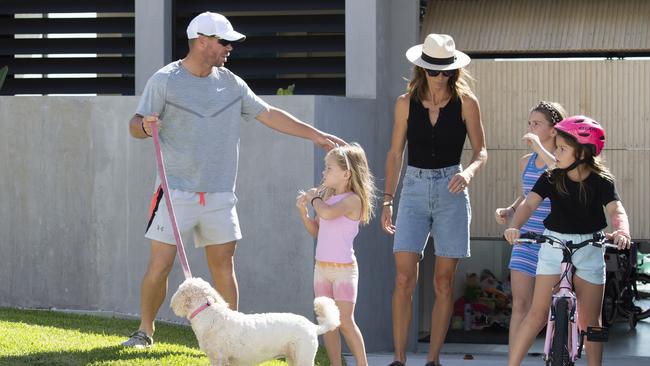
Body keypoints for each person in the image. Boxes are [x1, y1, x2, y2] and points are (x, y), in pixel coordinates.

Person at [122, 11, 345, 348]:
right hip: (174, 192)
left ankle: (233, 338)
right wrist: (144, 126)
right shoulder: (164, 80)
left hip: (219, 195)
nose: (230, 47)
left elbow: (268, 113)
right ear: (201, 41)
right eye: (223, 41)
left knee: (224, 267)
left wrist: (315, 135)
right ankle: (145, 331)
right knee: (160, 264)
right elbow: (134, 124)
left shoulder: (231, 82)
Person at [381, 33, 487, 366]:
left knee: (443, 281)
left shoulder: (467, 102)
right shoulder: (404, 103)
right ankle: (398, 359)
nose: (440, 77)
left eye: (446, 71)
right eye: (434, 70)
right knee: (403, 278)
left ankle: (433, 360)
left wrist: (468, 172)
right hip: (412, 189)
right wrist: (387, 200)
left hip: (451, 190)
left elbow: (481, 151)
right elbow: (395, 153)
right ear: (422, 69)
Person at [504, 116, 631, 366]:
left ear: (583, 152)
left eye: (562, 148)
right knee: (537, 314)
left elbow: (616, 210)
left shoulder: (601, 180)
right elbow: (529, 204)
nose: (556, 152)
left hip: (590, 248)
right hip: (554, 245)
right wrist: (514, 226)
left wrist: (622, 231)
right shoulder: (552, 176)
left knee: (590, 320)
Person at [296, 143, 376, 366]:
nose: (324, 172)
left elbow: (328, 214)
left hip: (344, 272)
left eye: (329, 168)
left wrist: (314, 199)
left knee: (346, 322)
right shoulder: (328, 200)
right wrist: (304, 213)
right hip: (321, 269)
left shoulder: (352, 200)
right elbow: (317, 231)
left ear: (346, 174)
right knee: (328, 323)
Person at [494, 101, 566, 349]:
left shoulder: (563, 158)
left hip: (554, 240)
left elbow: (558, 171)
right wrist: (510, 210)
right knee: (520, 305)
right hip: (526, 238)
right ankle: (514, 359)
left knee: (551, 306)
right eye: (530, 123)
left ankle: (556, 354)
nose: (531, 128)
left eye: (537, 124)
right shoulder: (526, 161)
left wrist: (538, 147)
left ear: (554, 129)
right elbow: (527, 195)